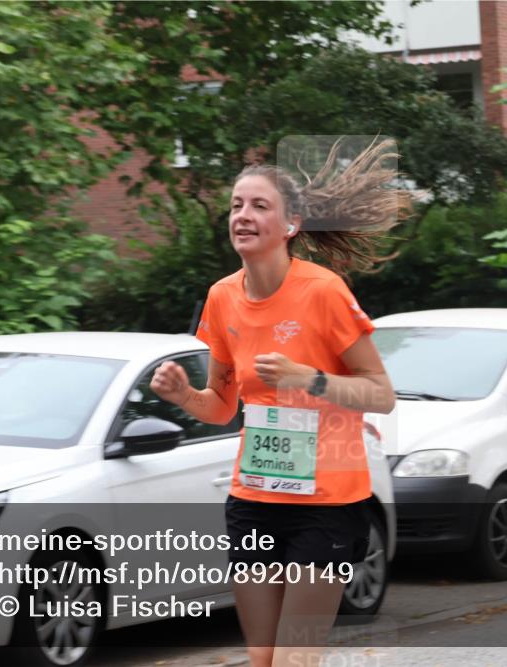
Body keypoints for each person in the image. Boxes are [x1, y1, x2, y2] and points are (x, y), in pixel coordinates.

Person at [150, 138, 412, 667]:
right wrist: (184, 396)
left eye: (258, 206)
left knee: (295, 660)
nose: (242, 215)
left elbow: (381, 395)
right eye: (236, 206)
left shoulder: (324, 292)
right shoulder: (222, 296)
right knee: (263, 659)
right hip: (255, 500)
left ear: (290, 225)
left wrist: (309, 380)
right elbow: (222, 407)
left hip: (328, 505)